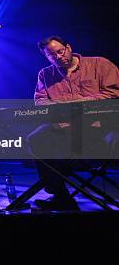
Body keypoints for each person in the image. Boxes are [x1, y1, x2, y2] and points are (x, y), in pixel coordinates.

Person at [28, 35, 119, 210]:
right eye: (51, 55)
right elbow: (41, 102)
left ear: (68, 48)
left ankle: (68, 178)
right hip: (63, 128)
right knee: (36, 138)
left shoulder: (99, 64)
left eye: (60, 51)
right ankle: (61, 195)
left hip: (97, 127)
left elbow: (113, 94)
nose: (58, 57)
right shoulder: (45, 75)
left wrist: (73, 105)